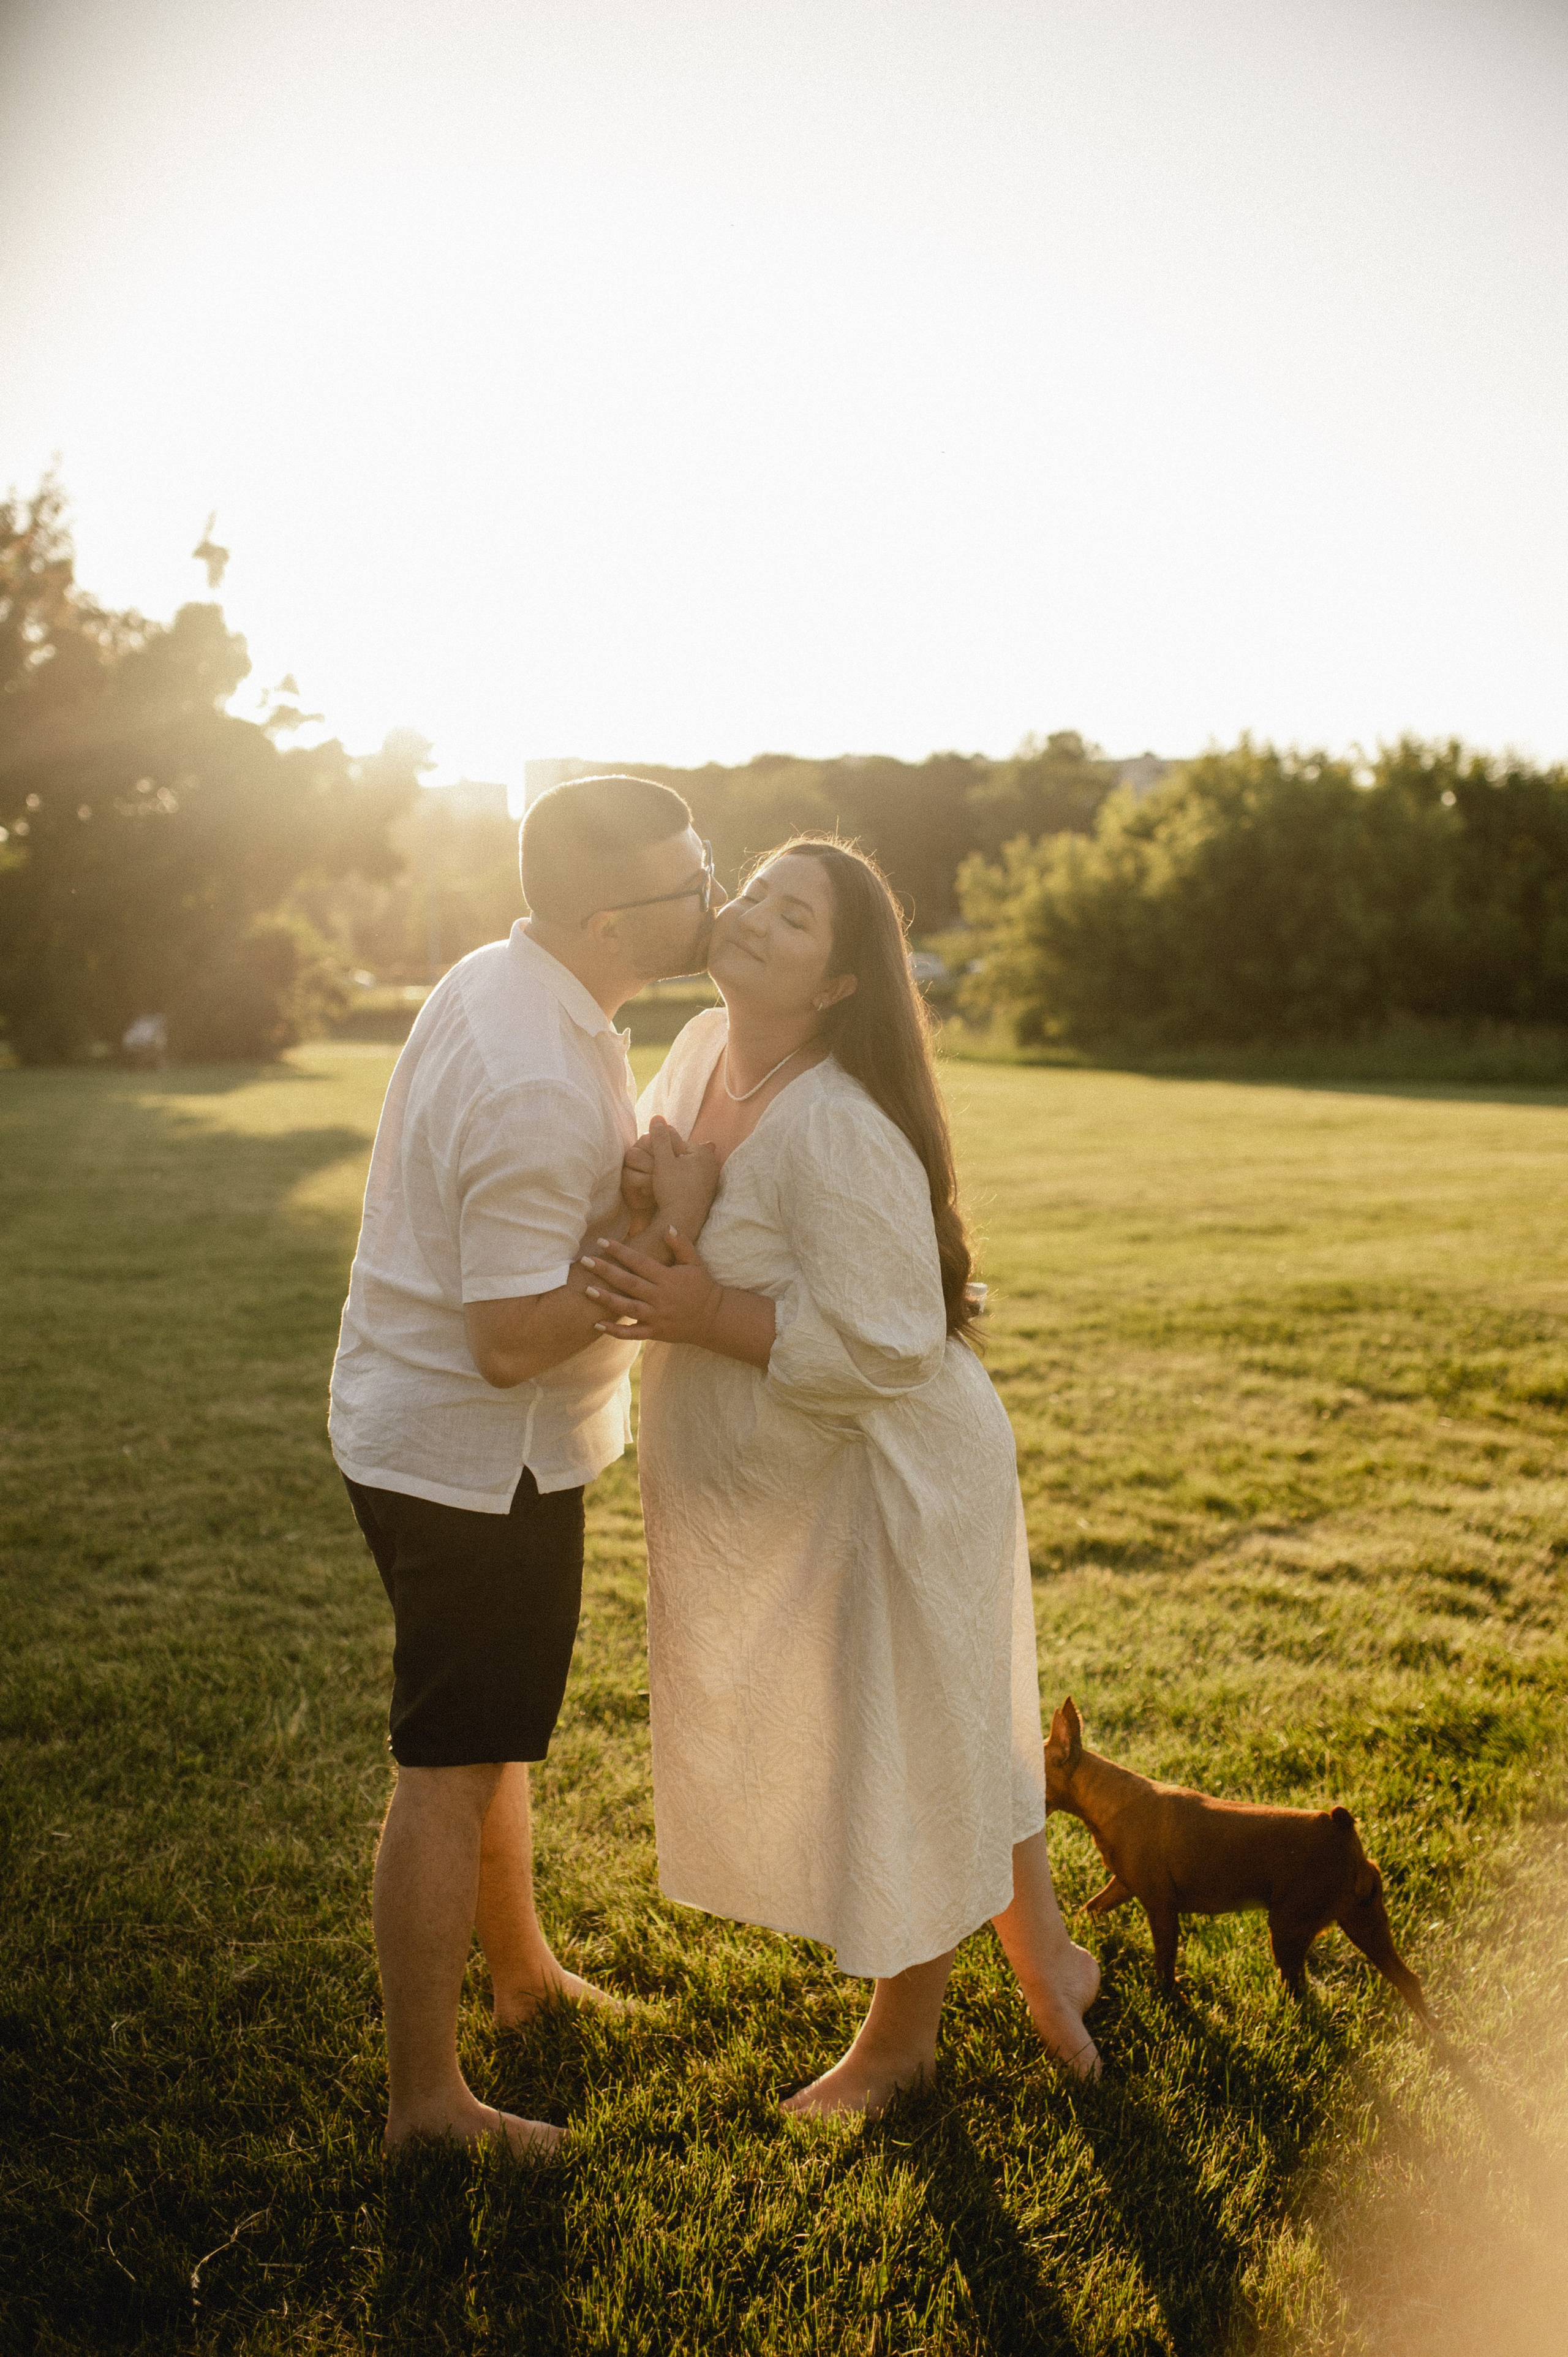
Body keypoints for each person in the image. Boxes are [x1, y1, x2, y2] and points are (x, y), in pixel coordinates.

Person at [584, 837, 1101, 2117]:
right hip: (803, 1478)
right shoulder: (706, 1050)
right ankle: (1052, 1958)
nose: (750, 915)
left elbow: (884, 1341)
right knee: (964, 1710)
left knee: (909, 1735)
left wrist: (701, 1299)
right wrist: (669, 1205)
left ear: (834, 987)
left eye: (793, 915)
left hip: (893, 1475)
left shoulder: (840, 1124)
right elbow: (668, 1235)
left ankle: (897, 2045)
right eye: (753, 891)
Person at [329, 774, 723, 2157]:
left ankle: (520, 1974)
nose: (711, 897)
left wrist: (612, 1203)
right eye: (691, 882)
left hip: (434, 1434)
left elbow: (519, 1241)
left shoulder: (522, 984)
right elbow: (507, 1338)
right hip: (470, 1456)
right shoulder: (534, 1068)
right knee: (447, 1760)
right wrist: (666, 1239)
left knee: (490, 1733)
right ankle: (425, 2106)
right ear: (613, 919)